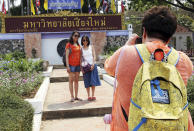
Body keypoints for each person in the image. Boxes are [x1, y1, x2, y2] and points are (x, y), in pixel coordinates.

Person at [104, 6, 194, 131]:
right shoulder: (183, 61)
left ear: (144, 32)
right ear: (169, 38)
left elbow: (108, 67)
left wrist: (127, 45)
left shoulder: (125, 55)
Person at [81, 35, 101, 101]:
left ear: (88, 40)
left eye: (86, 40)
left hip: (92, 66)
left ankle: (93, 95)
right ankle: (88, 95)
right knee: (87, 81)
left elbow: (94, 56)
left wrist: (93, 64)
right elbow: (80, 59)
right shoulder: (81, 49)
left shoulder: (91, 47)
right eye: (84, 40)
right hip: (85, 67)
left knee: (93, 81)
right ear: (82, 41)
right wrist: (81, 69)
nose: (85, 41)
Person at [66, 31, 82, 102]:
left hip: (78, 65)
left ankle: (76, 96)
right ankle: (72, 96)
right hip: (71, 65)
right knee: (71, 81)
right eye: (75, 35)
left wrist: (81, 65)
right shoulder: (68, 45)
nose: (76, 37)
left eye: (78, 36)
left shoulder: (78, 45)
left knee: (76, 81)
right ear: (72, 36)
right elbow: (66, 56)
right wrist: (67, 66)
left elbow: (80, 55)